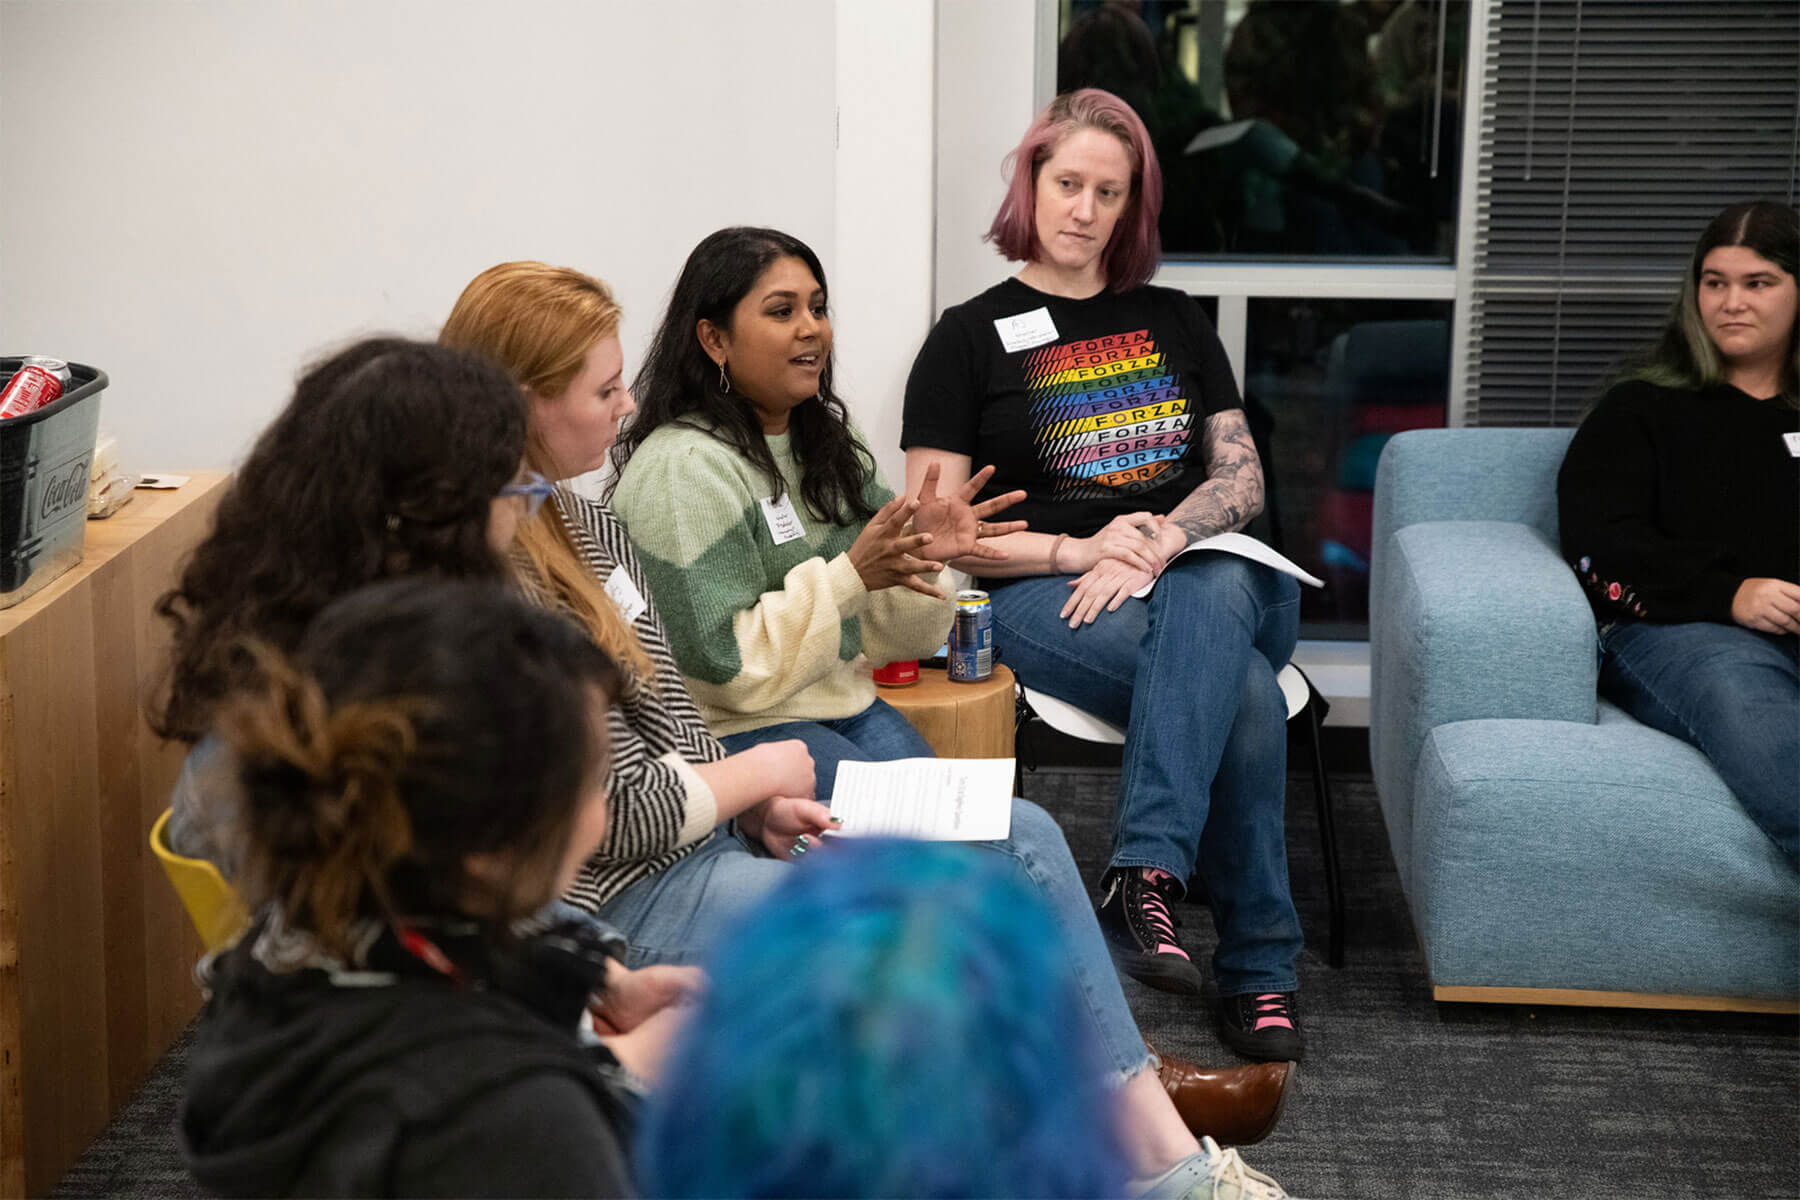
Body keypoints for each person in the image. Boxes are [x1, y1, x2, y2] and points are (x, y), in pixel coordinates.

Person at [445, 253, 1292, 1185]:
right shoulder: (615, 503)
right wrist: (760, 772)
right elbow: (702, 702)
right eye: (783, 310)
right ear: (715, 340)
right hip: (684, 832)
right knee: (956, 908)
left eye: (819, 306)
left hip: (751, 788)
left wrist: (929, 563)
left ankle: (1136, 1117)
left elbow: (676, 710)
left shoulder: (610, 517)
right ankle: (1140, 1125)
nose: (814, 329)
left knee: (1025, 831)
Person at [901, 89, 1308, 1062]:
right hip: (1053, 589)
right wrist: (1085, 550)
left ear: (1133, 210)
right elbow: (937, 538)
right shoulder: (966, 338)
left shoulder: (1172, 319)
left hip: (1214, 570)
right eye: (1067, 182)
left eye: (1109, 193)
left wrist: (1162, 538)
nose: (1083, 209)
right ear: (1030, 185)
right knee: (1244, 691)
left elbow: (1241, 479)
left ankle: (1143, 871)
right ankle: (1257, 966)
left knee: (1211, 593)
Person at [179, 578, 658, 1197]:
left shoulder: (276, 966)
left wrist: (591, 989)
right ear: (488, 852)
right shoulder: (522, 1129)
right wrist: (642, 1076)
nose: (606, 808)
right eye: (596, 779)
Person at [638, 840, 1287, 1200]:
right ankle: (1150, 1116)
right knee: (1002, 864)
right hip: (677, 847)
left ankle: (1155, 1106)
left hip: (765, 778)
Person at [1557, 199, 1799, 869]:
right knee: (1752, 709)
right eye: (1715, 282)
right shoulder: (1642, 405)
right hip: (1686, 633)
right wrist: (1729, 593)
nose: (1732, 302)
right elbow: (1597, 540)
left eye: (1758, 283)